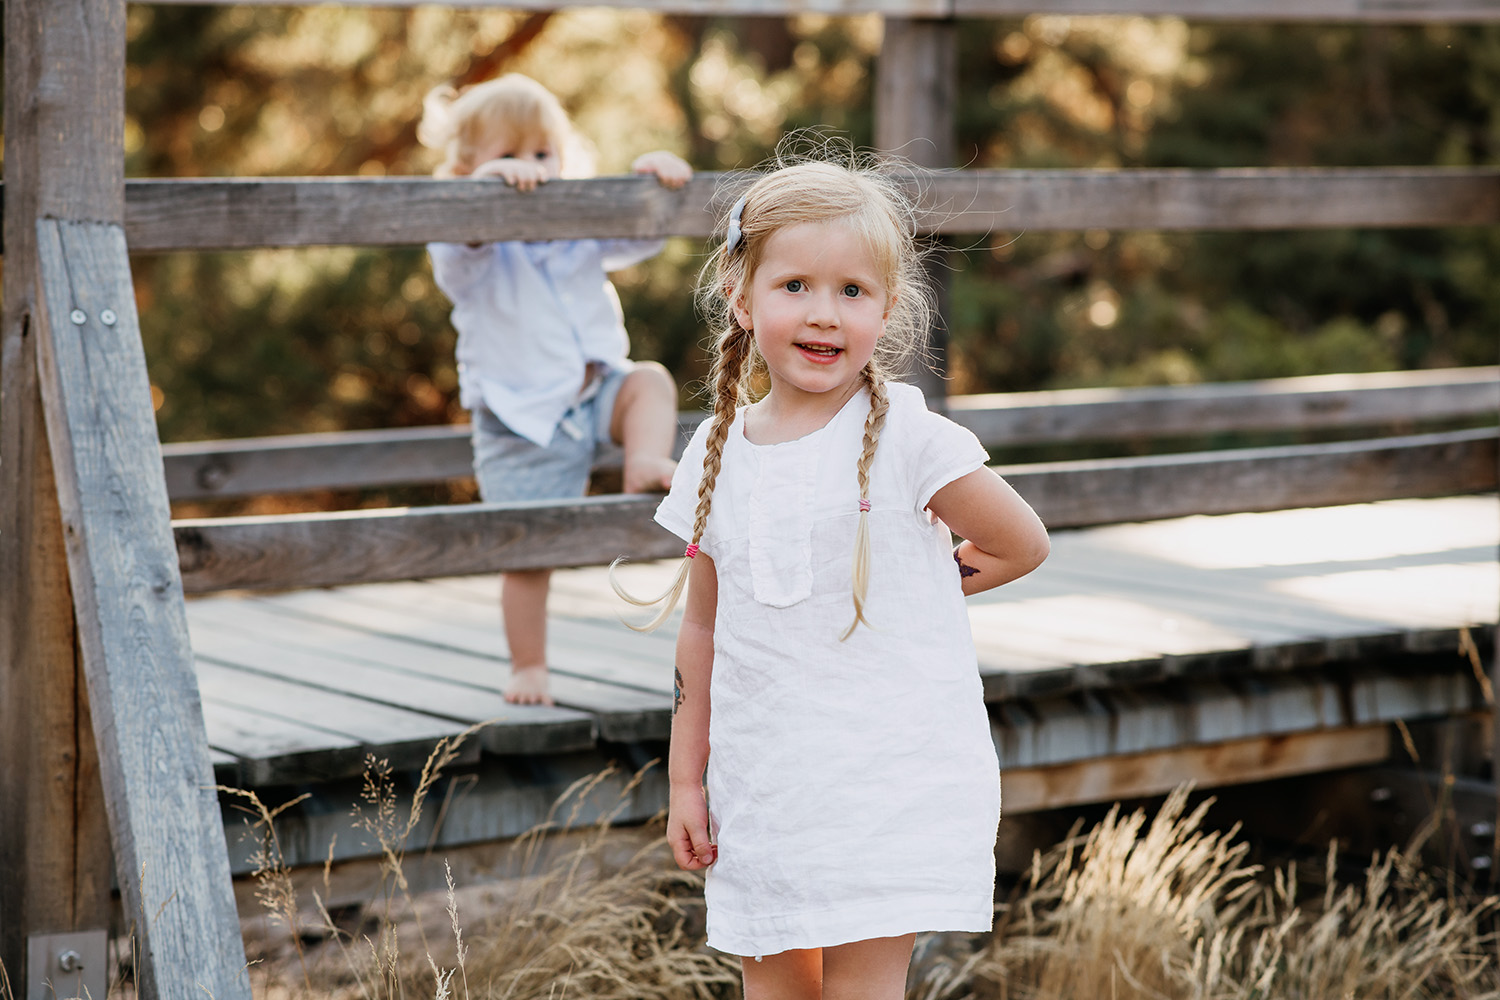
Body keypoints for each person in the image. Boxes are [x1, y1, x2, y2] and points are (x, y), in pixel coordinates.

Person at [612, 145, 1050, 1000]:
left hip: (881, 780)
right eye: (796, 287)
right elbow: (702, 628)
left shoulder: (911, 441)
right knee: (774, 990)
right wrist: (684, 781)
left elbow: (1020, 542)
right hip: (767, 785)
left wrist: (923, 583)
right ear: (742, 299)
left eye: (853, 291)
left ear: (886, 310)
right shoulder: (715, 451)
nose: (825, 314)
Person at [419, 73, 690, 706]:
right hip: (520, 416)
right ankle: (529, 664)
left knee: (648, 380)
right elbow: (456, 246)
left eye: (544, 154)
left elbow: (640, 231)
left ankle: (643, 462)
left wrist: (655, 178)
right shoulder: (474, 251)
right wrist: (486, 196)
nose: (532, 169)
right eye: (509, 155)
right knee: (528, 546)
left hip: (597, 390)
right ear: (465, 171)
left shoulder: (576, 223)